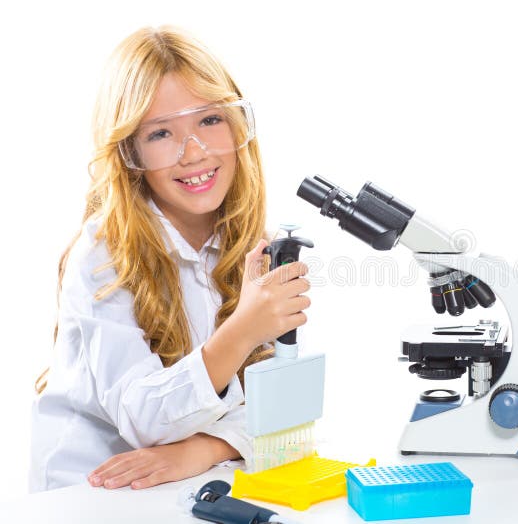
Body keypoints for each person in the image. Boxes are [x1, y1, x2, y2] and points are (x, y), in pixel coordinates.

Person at [29, 25, 311, 492]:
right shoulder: (101, 256)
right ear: (128, 154)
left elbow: (290, 418)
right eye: (161, 133)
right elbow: (142, 418)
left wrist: (206, 449)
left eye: (209, 120)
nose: (194, 153)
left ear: (239, 125)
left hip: (189, 481)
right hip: (90, 492)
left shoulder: (250, 244)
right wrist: (242, 331)